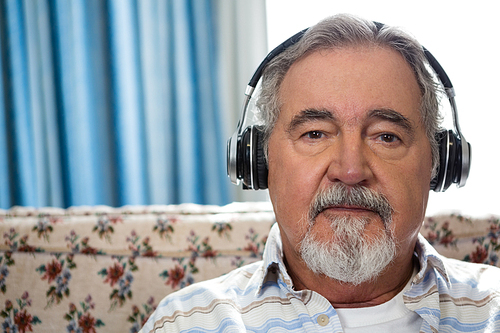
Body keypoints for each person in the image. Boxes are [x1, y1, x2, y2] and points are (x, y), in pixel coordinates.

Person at [140, 14, 500, 332]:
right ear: (257, 161)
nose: (350, 170)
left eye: (386, 137)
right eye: (315, 134)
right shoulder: (186, 322)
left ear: (440, 163)